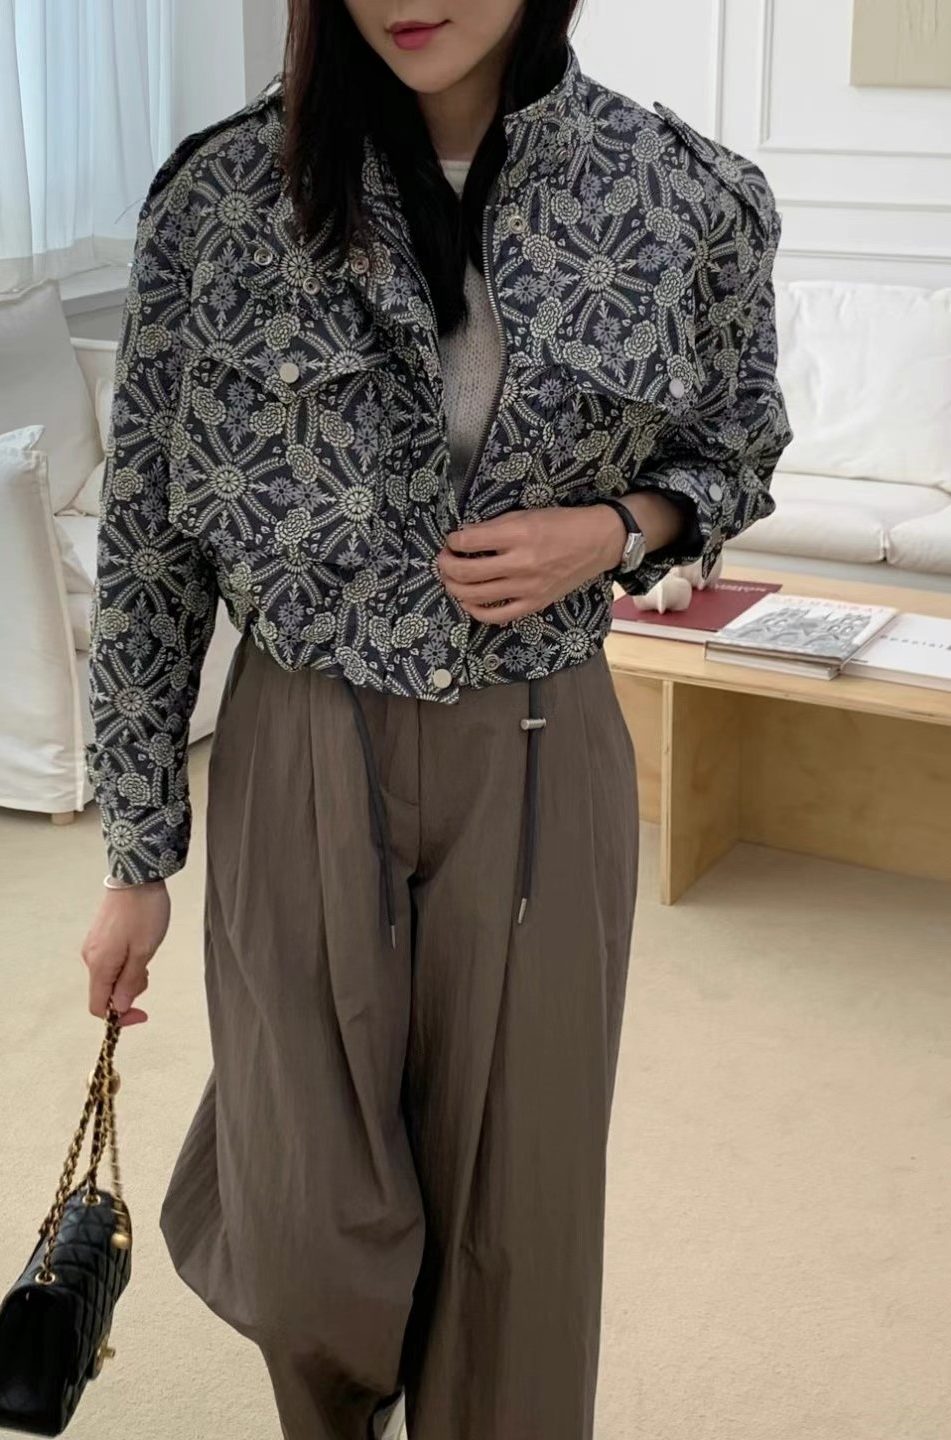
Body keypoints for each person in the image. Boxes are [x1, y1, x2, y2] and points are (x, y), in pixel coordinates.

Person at [80, 2, 792, 1435]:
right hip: (297, 739)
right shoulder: (220, 200)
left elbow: (737, 448)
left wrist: (617, 527)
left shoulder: (683, 198)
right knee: (307, 1226)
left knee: (519, 1215)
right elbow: (150, 543)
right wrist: (136, 858)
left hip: (541, 745)